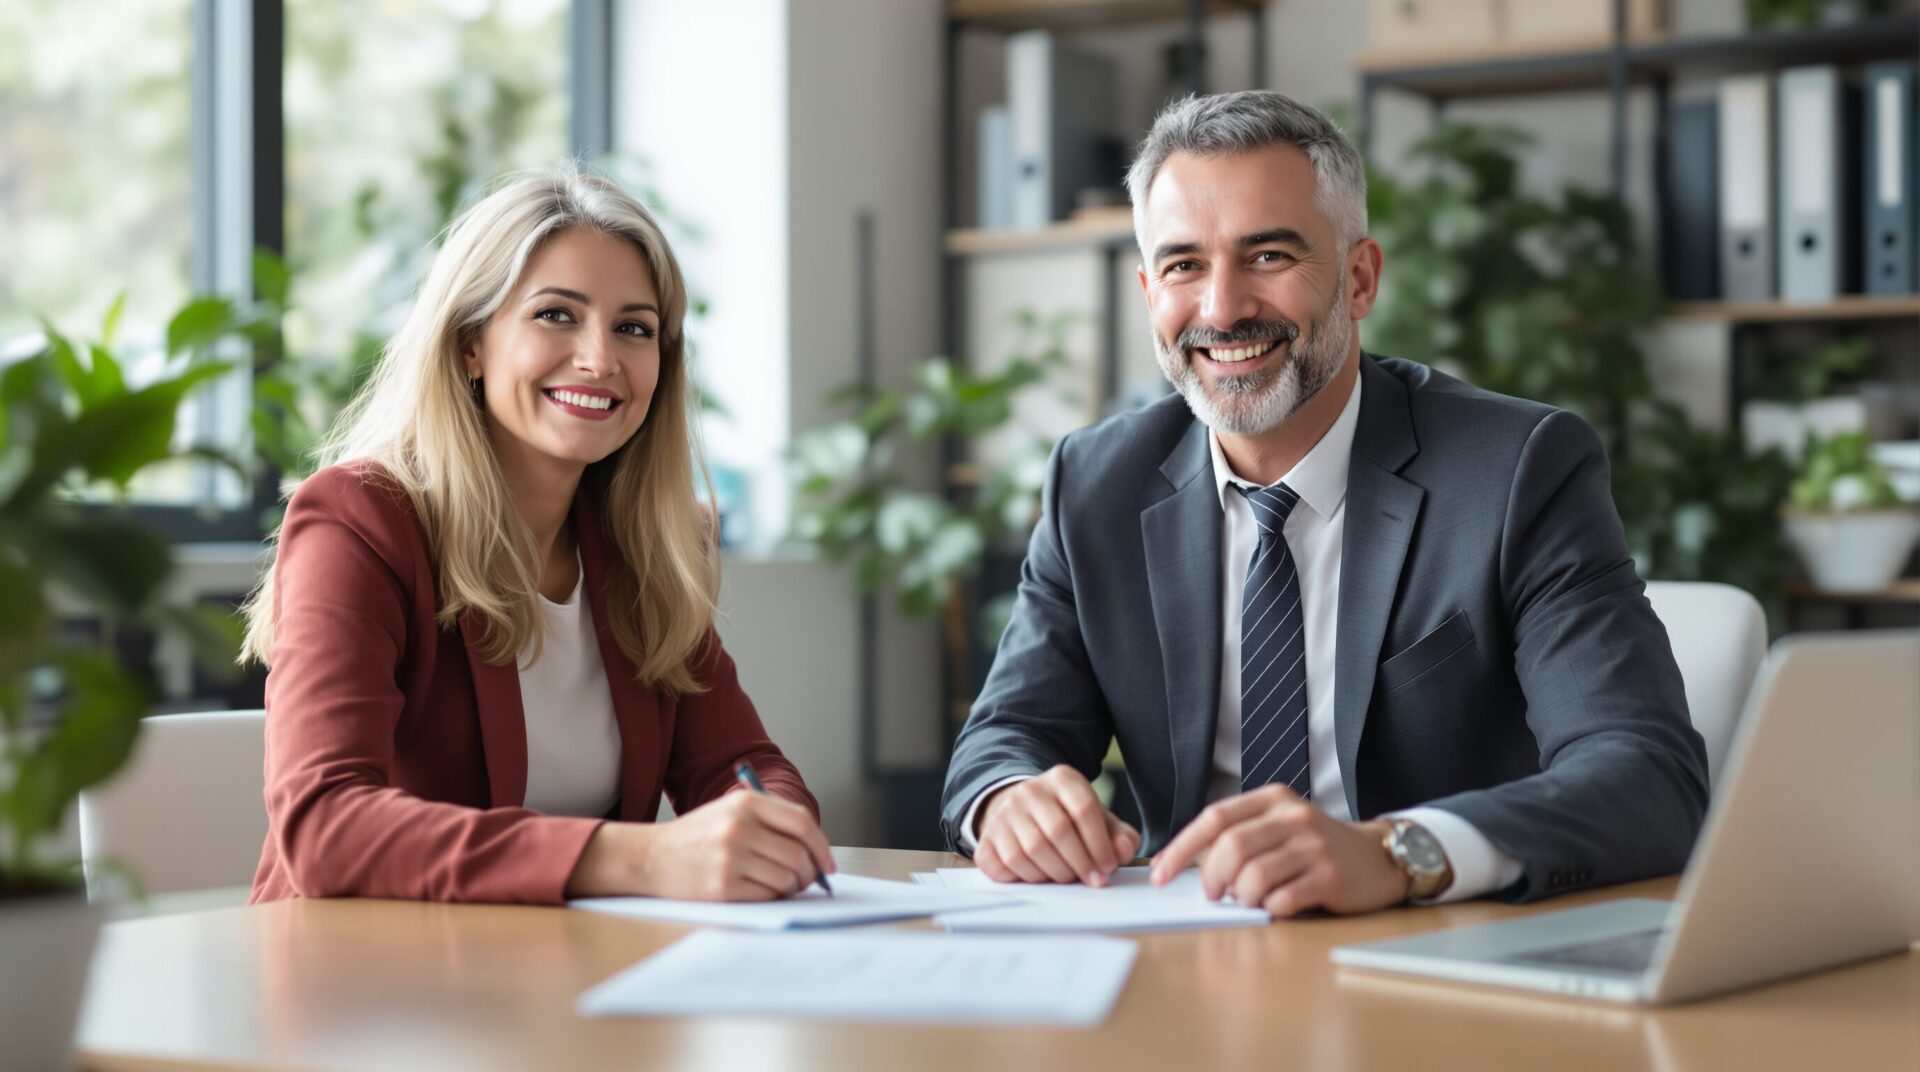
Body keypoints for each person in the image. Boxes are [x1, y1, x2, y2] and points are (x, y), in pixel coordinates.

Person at [940, 91, 1707, 917]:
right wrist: (1010, 799)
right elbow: (1003, 737)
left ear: (1360, 278)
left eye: (1268, 256)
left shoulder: (1517, 471)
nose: (1223, 307)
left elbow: (1645, 774)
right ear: (1148, 288)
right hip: (1187, 960)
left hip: (1432, 954)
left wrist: (1400, 851)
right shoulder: (1096, 483)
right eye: (1184, 265)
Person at [242, 167, 833, 905]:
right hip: (362, 991)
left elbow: (739, 764)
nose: (600, 359)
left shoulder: (642, 547)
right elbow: (324, 828)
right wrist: (643, 860)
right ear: (470, 345)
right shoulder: (361, 522)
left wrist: (767, 824)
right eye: (557, 315)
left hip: (569, 982)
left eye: (634, 328)